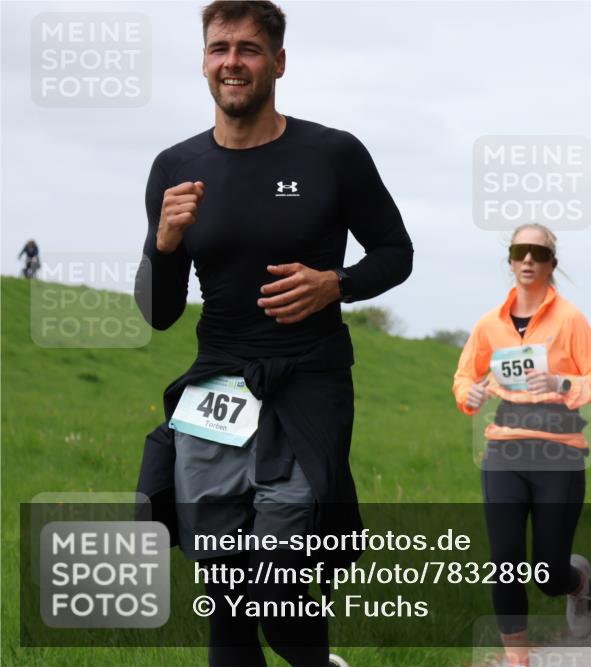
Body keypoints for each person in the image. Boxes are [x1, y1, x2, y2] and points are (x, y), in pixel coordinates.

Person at [133, 2, 413, 666]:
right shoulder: (175, 166)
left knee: (276, 584)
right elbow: (159, 311)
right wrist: (165, 243)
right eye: (219, 47)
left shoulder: (332, 154)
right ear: (204, 61)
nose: (233, 60)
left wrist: (334, 284)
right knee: (227, 593)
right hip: (217, 387)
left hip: (307, 379)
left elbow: (395, 252)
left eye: (250, 48)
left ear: (278, 62)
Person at [453, 223, 591, 667]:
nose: (528, 260)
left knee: (546, 572)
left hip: (558, 454)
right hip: (504, 451)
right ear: (510, 260)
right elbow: (465, 377)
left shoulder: (571, 320)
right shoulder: (490, 324)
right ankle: (518, 660)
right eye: (520, 251)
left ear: (551, 264)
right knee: (505, 560)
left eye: (538, 253)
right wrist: (468, 394)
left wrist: (563, 381)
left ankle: (576, 581)